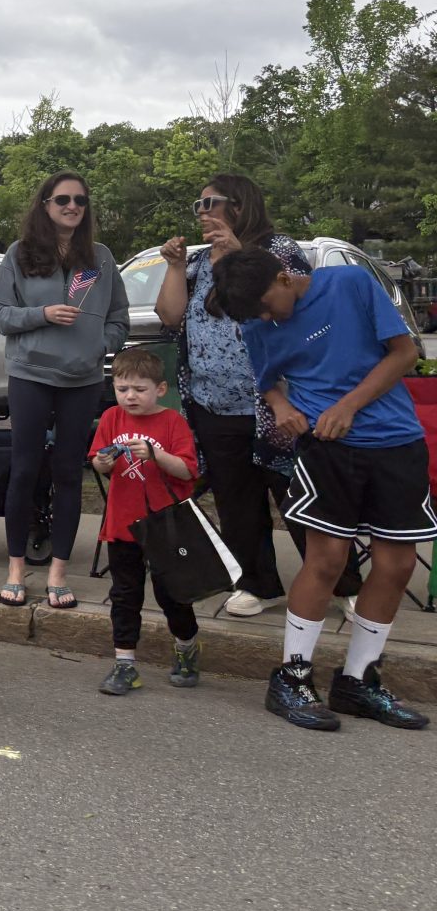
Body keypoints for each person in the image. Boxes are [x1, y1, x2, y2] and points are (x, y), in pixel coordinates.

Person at [213, 248, 433, 731]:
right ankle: (292, 678)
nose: (266, 318)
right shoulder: (256, 324)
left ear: (284, 277)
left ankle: (358, 681)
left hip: (395, 441)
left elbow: (405, 353)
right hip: (327, 450)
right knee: (327, 561)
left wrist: (350, 405)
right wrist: (281, 406)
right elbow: (266, 380)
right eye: (256, 315)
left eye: (267, 305)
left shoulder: (350, 284)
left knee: (396, 564)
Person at [153, 174, 345, 616]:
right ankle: (258, 583)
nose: (202, 213)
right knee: (236, 500)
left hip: (278, 401)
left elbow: (300, 306)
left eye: (210, 204)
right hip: (213, 401)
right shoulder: (200, 262)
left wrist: (242, 255)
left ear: (239, 206)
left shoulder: (279, 250)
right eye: (197, 206)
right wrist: (177, 266)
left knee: (301, 496)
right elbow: (169, 315)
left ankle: (342, 582)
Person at [0, 171, 127, 610]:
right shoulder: (21, 254)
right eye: (62, 199)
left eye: (80, 201)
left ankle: (58, 572)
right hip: (30, 374)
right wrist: (41, 314)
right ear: (45, 204)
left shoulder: (100, 258)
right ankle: (14, 569)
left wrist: (99, 345)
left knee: (69, 473)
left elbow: (119, 318)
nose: (72, 206)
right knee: (25, 470)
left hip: (81, 380)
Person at [89, 348, 203, 696]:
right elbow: (96, 459)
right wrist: (104, 463)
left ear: (160, 389)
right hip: (123, 523)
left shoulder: (173, 422)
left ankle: (186, 647)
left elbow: (188, 471)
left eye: (139, 389)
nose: (130, 397)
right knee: (124, 595)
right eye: (122, 389)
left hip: (164, 524)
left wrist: (156, 454)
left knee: (173, 595)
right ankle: (125, 663)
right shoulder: (111, 417)